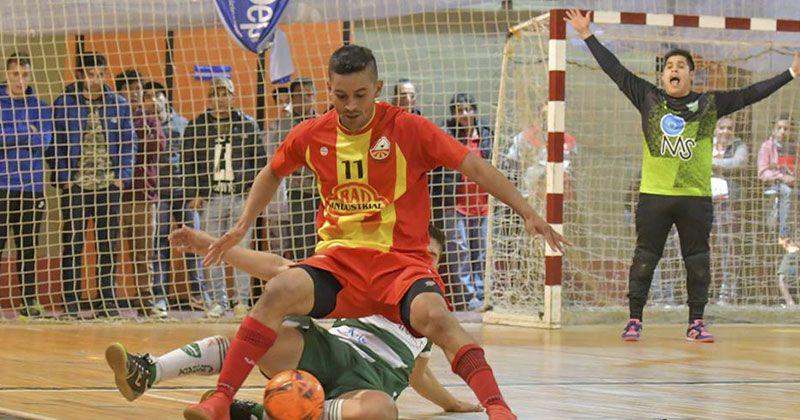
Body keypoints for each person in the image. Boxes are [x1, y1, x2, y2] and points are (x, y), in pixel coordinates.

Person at [191, 44, 568, 420]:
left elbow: (475, 167)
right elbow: (273, 171)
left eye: (360, 95)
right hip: (339, 263)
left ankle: (498, 408)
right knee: (277, 290)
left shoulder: (409, 128)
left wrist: (527, 211)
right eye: (340, 96)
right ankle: (221, 399)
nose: (350, 105)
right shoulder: (312, 134)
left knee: (437, 318)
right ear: (328, 89)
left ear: (377, 88)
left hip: (400, 265)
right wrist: (242, 225)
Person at [566, 9, 799, 342]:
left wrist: (790, 73)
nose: (673, 70)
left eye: (680, 66)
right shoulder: (648, 98)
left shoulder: (709, 105)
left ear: (692, 74)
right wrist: (587, 35)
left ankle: (696, 322)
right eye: (669, 67)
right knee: (645, 259)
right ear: (663, 78)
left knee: (698, 261)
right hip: (654, 196)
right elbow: (614, 69)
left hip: (695, 198)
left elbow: (752, 93)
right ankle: (634, 319)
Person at [105, 224, 482, 419]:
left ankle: (261, 414)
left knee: (382, 412)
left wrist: (451, 403)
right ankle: (148, 371)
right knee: (261, 335)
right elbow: (278, 268)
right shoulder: (368, 276)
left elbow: (418, 374)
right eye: (419, 252)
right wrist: (210, 245)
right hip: (332, 350)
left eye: (432, 256)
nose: (426, 261)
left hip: (370, 382)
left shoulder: (430, 310)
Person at [51, 52, 135, 318]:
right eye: (91, 75)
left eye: (101, 74)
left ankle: (106, 300)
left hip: (108, 185)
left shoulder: (118, 104)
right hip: (76, 185)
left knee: (108, 244)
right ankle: (72, 300)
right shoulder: (64, 103)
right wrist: (64, 177)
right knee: (73, 243)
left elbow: (128, 143)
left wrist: (122, 177)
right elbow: (55, 143)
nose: (97, 80)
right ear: (80, 75)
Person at [183, 77, 267, 319]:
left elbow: (260, 163)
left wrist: (253, 192)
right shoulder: (196, 126)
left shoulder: (247, 125)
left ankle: (240, 301)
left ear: (233, 97)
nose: (220, 99)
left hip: (240, 196)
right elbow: (189, 162)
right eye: (215, 94)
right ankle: (218, 300)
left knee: (243, 249)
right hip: (211, 197)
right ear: (208, 99)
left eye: (225, 94)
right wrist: (194, 192)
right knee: (212, 248)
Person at [143, 80, 210, 311]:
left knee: (195, 242)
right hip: (158, 194)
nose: (153, 100)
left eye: (157, 95)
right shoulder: (143, 126)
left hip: (184, 192)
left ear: (165, 98)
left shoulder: (183, 124)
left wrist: (197, 191)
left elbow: (196, 159)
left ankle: (199, 295)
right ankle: (160, 298)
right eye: (147, 96)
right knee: (159, 244)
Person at [0, 52, 53, 317]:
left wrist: (9, 133)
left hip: (31, 187)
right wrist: (25, 131)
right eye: (14, 74)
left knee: (28, 247)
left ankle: (29, 301)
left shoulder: (41, 107)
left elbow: (43, 141)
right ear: (6, 74)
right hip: (1, 184)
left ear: (30, 75)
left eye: (24, 74)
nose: (19, 80)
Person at [115, 69, 165, 317]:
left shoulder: (149, 117)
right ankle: (109, 301)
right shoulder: (113, 115)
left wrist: (145, 123)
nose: (134, 94)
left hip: (144, 196)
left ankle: (146, 302)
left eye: (138, 90)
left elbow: (157, 146)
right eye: (130, 89)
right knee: (111, 251)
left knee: (144, 253)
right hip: (116, 195)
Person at [444, 92, 493, 310]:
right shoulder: (447, 135)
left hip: (482, 203)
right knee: (460, 252)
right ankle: (469, 297)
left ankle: (484, 295)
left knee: (481, 251)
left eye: (467, 109)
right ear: (453, 115)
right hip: (456, 204)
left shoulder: (485, 134)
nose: (464, 114)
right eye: (459, 111)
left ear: (474, 110)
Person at [711, 117, 748, 304]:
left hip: (728, 203)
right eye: (721, 127)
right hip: (705, 202)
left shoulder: (739, 145)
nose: (725, 131)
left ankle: (727, 293)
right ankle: (704, 291)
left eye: (729, 128)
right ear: (715, 128)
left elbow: (738, 163)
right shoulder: (706, 142)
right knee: (704, 246)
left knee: (728, 247)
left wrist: (712, 164)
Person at [757, 115, 795, 247]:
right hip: (775, 185)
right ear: (773, 130)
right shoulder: (767, 147)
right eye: (779, 128)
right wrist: (781, 176)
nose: (783, 131)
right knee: (786, 191)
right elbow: (762, 172)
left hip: (794, 183)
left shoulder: (795, 147)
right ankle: (785, 234)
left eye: (786, 128)